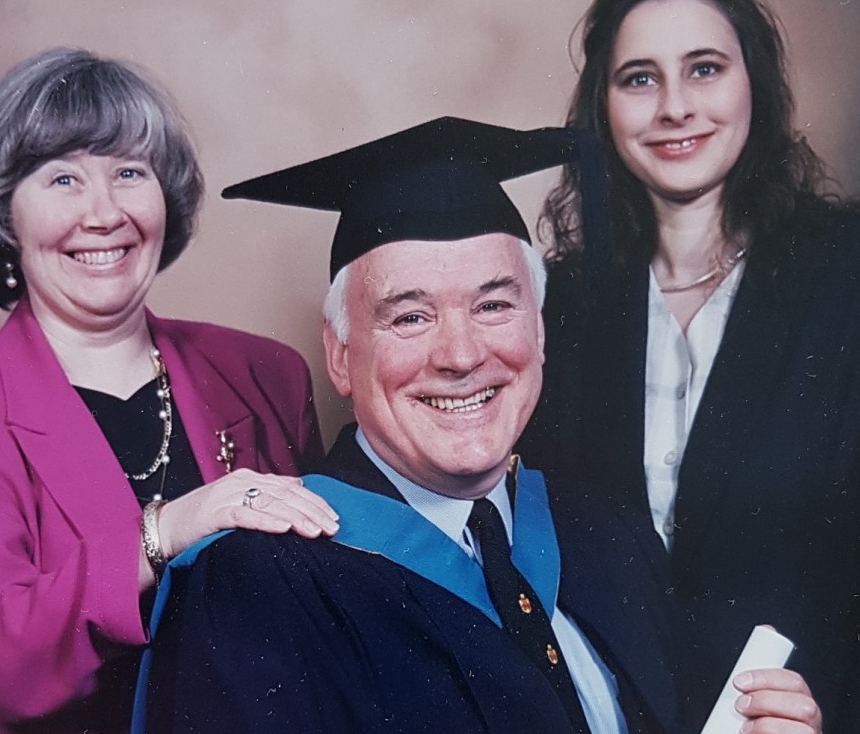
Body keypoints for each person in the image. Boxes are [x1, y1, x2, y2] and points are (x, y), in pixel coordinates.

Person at [135, 117, 821, 733]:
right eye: (410, 315)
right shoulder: (255, 586)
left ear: (539, 332)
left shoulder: (606, 537)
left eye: (494, 305)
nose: (461, 355)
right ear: (341, 356)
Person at [0, 48, 339, 733]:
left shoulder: (263, 370)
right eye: (63, 178)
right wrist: (164, 530)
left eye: (130, 172)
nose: (103, 214)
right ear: (3, 213)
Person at [520, 0, 860, 731]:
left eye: (705, 68)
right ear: (604, 106)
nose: (675, 107)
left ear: (754, 82)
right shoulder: (563, 308)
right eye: (640, 79)